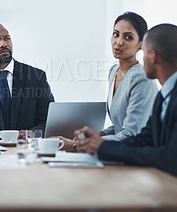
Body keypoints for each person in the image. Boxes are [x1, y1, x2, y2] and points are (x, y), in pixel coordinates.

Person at [75, 24, 177, 194]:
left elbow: (171, 159)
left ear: (153, 56)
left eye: (143, 52)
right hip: (173, 186)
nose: (141, 59)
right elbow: (144, 139)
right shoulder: (168, 91)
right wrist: (99, 145)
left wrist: (103, 148)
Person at [59, 12, 158, 151]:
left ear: (140, 45)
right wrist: (99, 134)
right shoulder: (114, 71)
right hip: (117, 151)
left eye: (128, 37)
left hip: (135, 154)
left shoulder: (142, 79)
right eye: (116, 34)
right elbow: (119, 126)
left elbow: (131, 134)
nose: (119, 42)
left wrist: (78, 145)